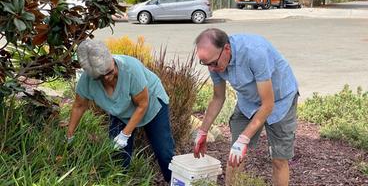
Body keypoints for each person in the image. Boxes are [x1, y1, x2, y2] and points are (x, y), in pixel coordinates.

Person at [193, 28, 298, 186]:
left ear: (226, 48)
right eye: (206, 64)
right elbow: (218, 97)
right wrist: (203, 131)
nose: (211, 69)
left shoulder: (255, 53)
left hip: (279, 101)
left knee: (278, 159)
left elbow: (268, 105)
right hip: (248, 102)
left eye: (213, 63)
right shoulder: (214, 62)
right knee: (235, 156)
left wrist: (244, 138)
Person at [66, 39, 175, 183]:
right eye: (100, 77)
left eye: (110, 72)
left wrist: (125, 134)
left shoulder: (130, 69)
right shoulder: (87, 80)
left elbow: (142, 105)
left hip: (152, 105)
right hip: (121, 112)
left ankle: (174, 181)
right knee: (118, 155)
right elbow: (79, 106)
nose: (107, 78)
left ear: (111, 59)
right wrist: (69, 135)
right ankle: (119, 182)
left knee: (163, 151)